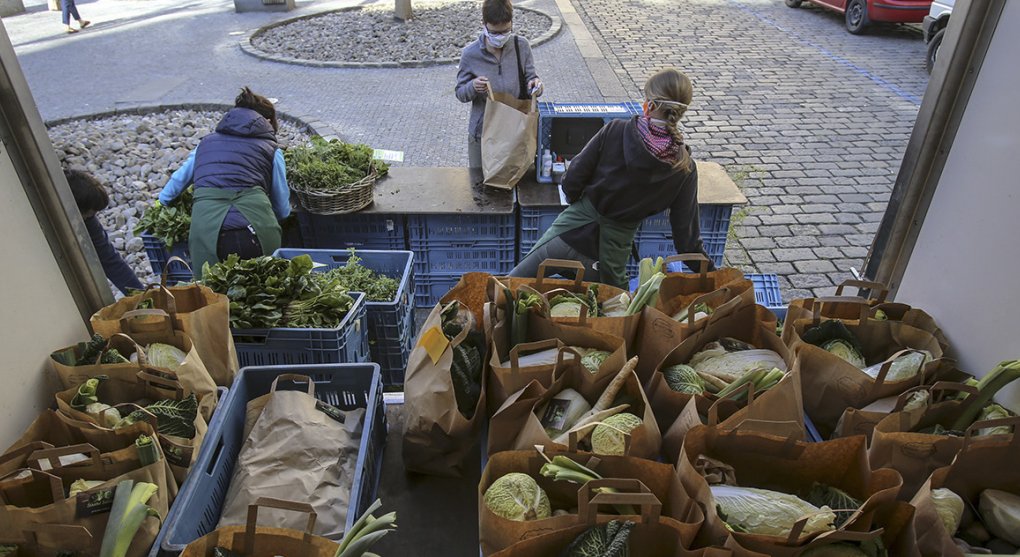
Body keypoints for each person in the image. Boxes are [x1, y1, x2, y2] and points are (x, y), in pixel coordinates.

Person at [510, 68, 715, 289]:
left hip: (564, 238)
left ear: (650, 105)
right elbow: (687, 241)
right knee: (614, 317)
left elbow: (572, 182)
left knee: (509, 288)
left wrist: (581, 203)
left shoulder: (616, 130)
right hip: (609, 262)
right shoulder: (684, 168)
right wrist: (713, 275)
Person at [159, 87, 291, 280]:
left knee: (214, 297)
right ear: (268, 121)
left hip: (207, 232)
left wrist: (161, 203)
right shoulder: (271, 150)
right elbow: (282, 207)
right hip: (255, 230)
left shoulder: (206, 144)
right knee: (267, 290)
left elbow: (175, 185)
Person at [455, 0, 543, 183]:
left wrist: (536, 85)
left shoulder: (521, 46)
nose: (500, 37)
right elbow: (460, 93)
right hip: (483, 134)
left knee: (521, 183)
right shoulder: (470, 54)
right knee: (481, 186)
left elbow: (531, 78)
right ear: (484, 25)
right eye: (495, 33)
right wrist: (473, 86)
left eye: (505, 31)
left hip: (517, 131)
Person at [65, 169, 144, 296]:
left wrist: (142, 296)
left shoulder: (88, 219)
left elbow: (109, 259)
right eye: (87, 214)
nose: (89, 218)